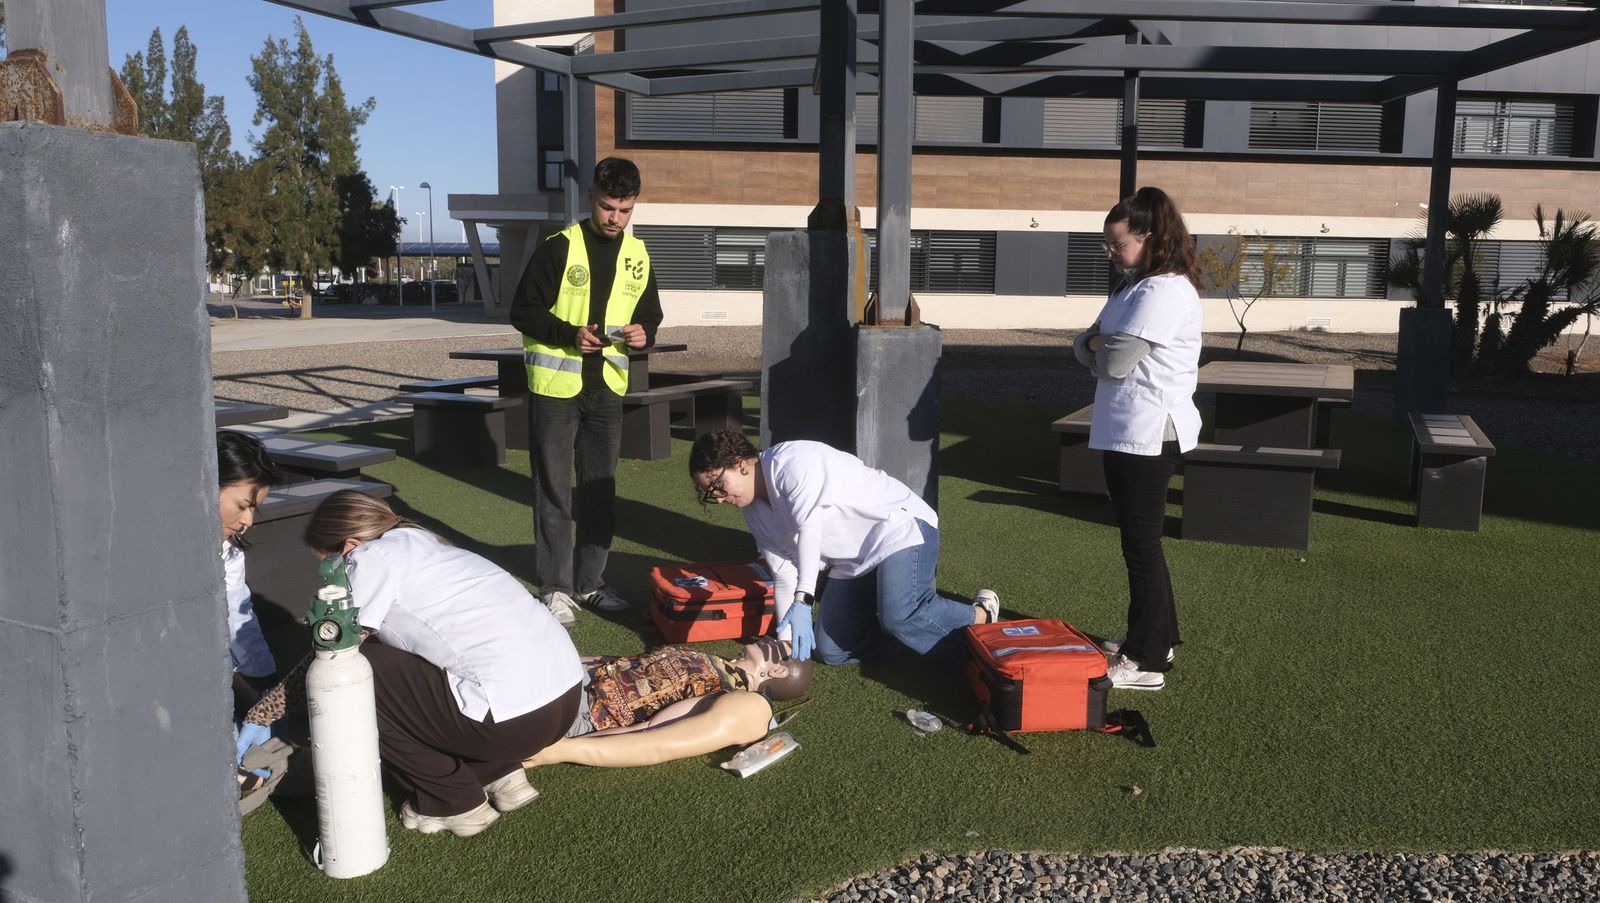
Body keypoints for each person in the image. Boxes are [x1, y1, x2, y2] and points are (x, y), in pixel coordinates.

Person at [238, 491, 585, 838]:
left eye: (329, 564)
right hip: (564, 701)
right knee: (405, 670)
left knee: (356, 669)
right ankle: (499, 772)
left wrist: (262, 714)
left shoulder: (369, 558)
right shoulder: (421, 542)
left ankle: (453, 801)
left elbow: (334, 654)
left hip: (511, 724)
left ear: (350, 545)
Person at [686, 430, 1000, 665]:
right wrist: (784, 645)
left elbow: (810, 529)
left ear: (740, 464)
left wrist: (804, 601)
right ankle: (905, 637)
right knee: (831, 651)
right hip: (852, 561)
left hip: (898, 529)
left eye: (717, 486)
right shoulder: (752, 510)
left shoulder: (791, 462)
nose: (717, 497)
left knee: (900, 615)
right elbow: (783, 571)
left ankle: (979, 616)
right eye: (709, 494)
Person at [510, 157, 665, 627]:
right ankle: (556, 588)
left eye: (625, 209)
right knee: (554, 491)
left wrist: (645, 335)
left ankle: (591, 583)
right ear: (591, 199)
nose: (615, 218)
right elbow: (523, 311)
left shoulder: (639, 254)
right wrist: (568, 334)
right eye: (607, 207)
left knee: (600, 492)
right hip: (556, 389)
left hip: (607, 391)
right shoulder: (559, 248)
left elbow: (651, 315)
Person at [1072, 186, 1204, 692]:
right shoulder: (1133, 286)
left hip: (1150, 433)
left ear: (1151, 237)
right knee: (1140, 546)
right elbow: (1084, 346)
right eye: (1106, 244)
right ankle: (1155, 637)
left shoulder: (1164, 291)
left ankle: (1145, 660)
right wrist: (1096, 343)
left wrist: (1098, 344)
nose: (1111, 253)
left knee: (1142, 548)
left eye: (1117, 243)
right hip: (1127, 430)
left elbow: (1113, 359)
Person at [524, 636, 812, 769]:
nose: (770, 638)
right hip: (570, 675)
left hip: (580, 707)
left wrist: (558, 751)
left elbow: (653, 737)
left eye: (778, 645)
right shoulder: (718, 662)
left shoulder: (747, 705)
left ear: (777, 670)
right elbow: (626, 664)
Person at [216, 431, 281, 719]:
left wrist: (266, 682)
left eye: (254, 509)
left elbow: (237, 616)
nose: (248, 521)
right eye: (243, 506)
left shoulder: (228, 551)